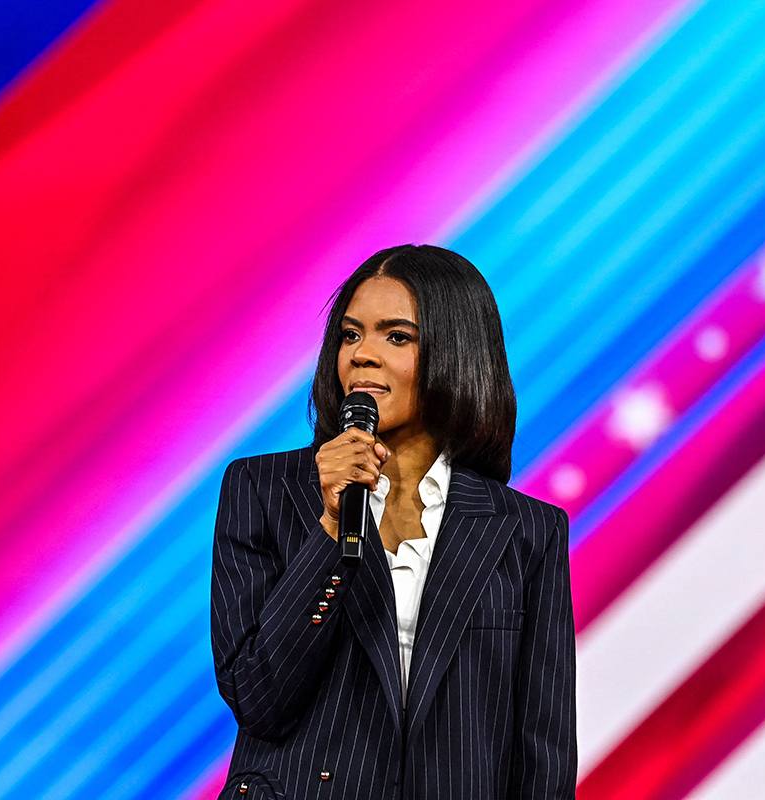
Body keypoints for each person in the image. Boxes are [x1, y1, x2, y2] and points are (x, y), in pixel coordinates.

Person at [211, 244, 576, 799]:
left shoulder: (527, 531)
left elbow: (543, 750)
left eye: (396, 337)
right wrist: (331, 527)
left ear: (455, 352)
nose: (362, 354)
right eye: (350, 335)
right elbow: (259, 697)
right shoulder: (262, 490)